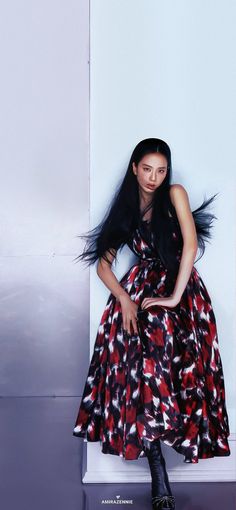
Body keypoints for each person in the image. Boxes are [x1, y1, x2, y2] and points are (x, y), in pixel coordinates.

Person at [72, 138, 231, 510]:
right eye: (147, 169)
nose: (153, 177)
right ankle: (158, 469)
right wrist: (124, 299)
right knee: (140, 369)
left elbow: (189, 246)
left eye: (160, 170)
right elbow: (103, 265)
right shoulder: (127, 210)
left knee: (173, 369)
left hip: (180, 290)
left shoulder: (175, 193)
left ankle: (171, 446)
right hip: (140, 292)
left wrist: (175, 297)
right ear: (134, 168)